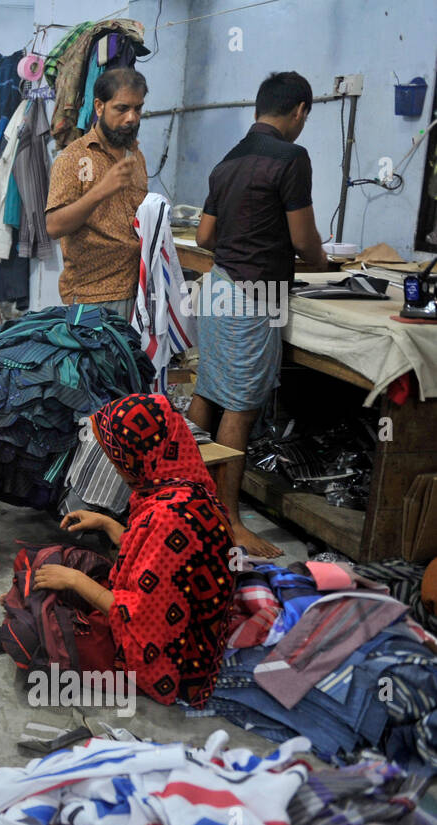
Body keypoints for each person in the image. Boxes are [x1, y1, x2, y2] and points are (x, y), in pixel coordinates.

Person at [188, 71, 328, 559]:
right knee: (241, 407)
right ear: (300, 111)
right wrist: (323, 261)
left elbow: (204, 238)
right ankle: (228, 522)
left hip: (218, 288)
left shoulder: (228, 162)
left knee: (209, 390)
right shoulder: (292, 158)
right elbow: (304, 240)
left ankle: (188, 500)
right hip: (255, 294)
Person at [30, 393, 236, 707]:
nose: (115, 467)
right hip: (173, 611)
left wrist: (74, 580)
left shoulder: (168, 518)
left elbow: (140, 617)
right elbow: (161, 561)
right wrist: (107, 524)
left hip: (174, 654)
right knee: (45, 574)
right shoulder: (182, 485)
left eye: (116, 459)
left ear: (138, 456)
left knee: (43, 633)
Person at [45, 68, 149, 317]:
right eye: (122, 109)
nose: (131, 118)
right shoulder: (74, 157)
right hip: (92, 297)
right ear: (100, 107)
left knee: (129, 358)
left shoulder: (136, 156)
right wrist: (100, 191)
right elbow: (54, 226)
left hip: (138, 290)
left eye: (138, 109)